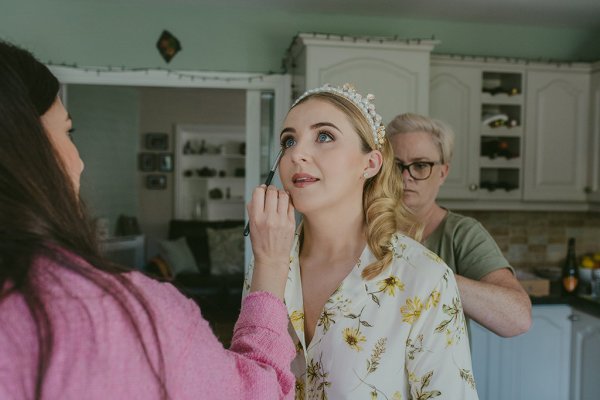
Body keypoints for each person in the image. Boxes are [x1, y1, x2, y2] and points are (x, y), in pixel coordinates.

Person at [0, 40, 297, 400]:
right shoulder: (127, 316)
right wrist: (271, 262)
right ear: (24, 149)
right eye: (67, 130)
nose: (80, 160)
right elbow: (258, 392)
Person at [244, 84, 479, 399]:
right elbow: (249, 382)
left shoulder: (425, 279)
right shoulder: (268, 263)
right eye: (289, 141)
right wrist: (266, 264)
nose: (296, 153)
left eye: (324, 136)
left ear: (370, 164)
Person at [386, 113, 532, 338]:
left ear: (443, 172)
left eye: (421, 165)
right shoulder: (360, 228)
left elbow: (518, 319)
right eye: (397, 166)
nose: (406, 177)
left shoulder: (462, 234)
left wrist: (433, 276)